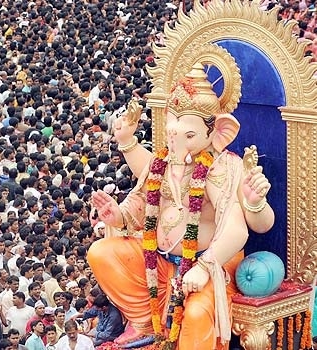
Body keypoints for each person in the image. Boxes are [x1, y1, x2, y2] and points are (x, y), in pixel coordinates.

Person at [88, 64, 276, 349]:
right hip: (159, 261)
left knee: (197, 314)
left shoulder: (225, 167)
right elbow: (144, 199)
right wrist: (119, 215)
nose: (176, 141)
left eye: (189, 136)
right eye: (172, 130)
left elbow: (246, 228)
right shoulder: (164, 160)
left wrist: (254, 203)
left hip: (208, 265)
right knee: (101, 253)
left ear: (218, 132)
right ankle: (143, 322)